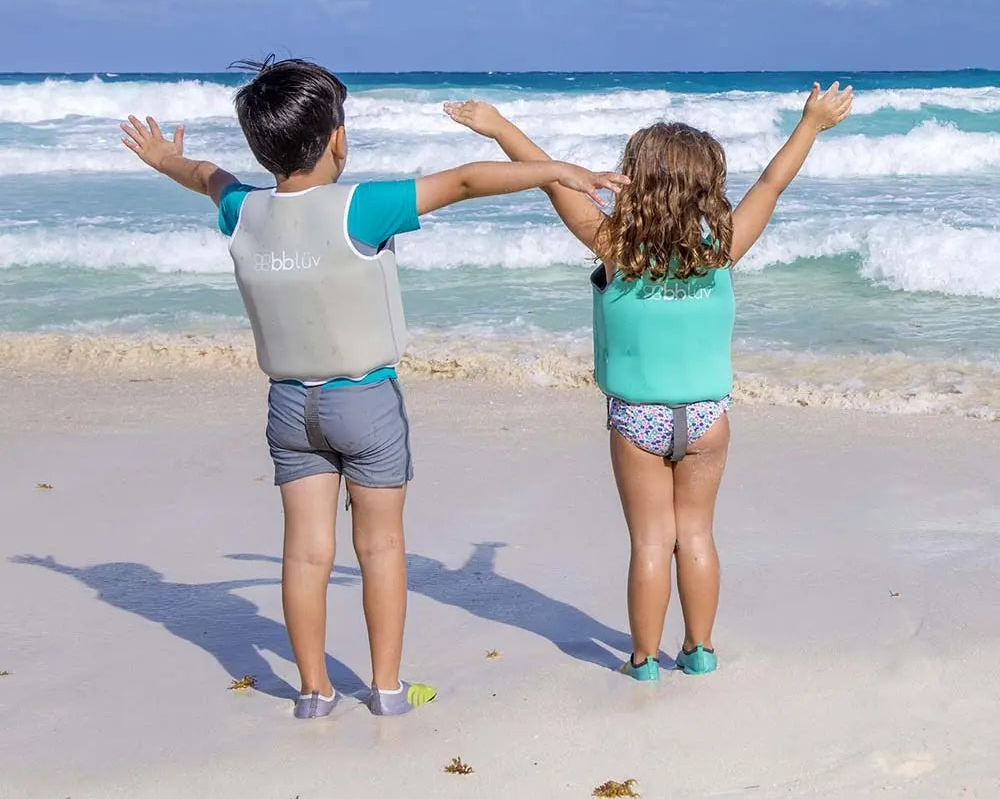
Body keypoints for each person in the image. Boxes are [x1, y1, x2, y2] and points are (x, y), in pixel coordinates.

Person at [120, 57, 626, 717]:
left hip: (289, 407)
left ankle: (313, 692)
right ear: (337, 138)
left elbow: (207, 176)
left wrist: (161, 159)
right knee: (381, 546)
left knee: (305, 554)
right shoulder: (363, 206)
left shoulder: (243, 210)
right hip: (365, 402)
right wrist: (559, 171)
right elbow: (470, 180)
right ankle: (386, 690)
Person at [444, 82, 853, 681]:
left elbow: (555, 181)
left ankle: (642, 660)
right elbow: (771, 183)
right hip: (709, 418)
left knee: (648, 542)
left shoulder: (615, 246)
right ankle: (701, 649)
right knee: (696, 534)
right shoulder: (722, 249)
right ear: (707, 186)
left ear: (636, 180)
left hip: (638, 420)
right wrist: (811, 126)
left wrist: (501, 126)